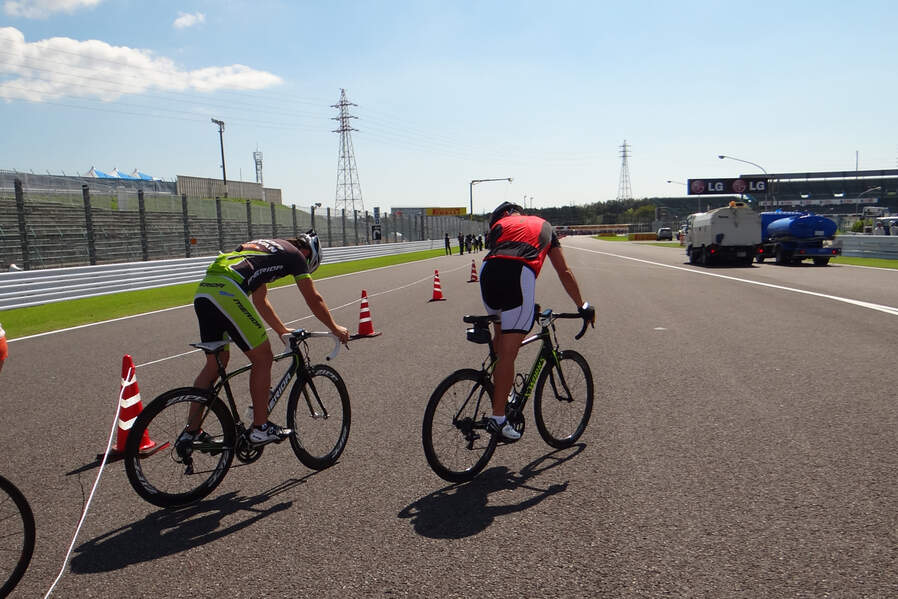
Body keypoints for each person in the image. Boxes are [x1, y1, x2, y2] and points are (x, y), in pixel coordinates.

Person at [188, 232, 350, 447]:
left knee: (215, 364)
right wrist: (334, 327)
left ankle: (191, 432)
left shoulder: (265, 249)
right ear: (308, 254)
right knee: (263, 358)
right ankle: (260, 428)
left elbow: (260, 300)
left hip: (205, 291)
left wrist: (281, 330)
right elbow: (313, 298)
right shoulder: (295, 256)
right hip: (228, 292)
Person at [479, 202, 595, 440]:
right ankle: (499, 418)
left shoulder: (499, 225)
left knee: (501, 339)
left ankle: (504, 394)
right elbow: (564, 272)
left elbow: (498, 253)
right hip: (518, 273)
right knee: (509, 352)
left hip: (487, 272)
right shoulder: (544, 225)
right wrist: (581, 305)